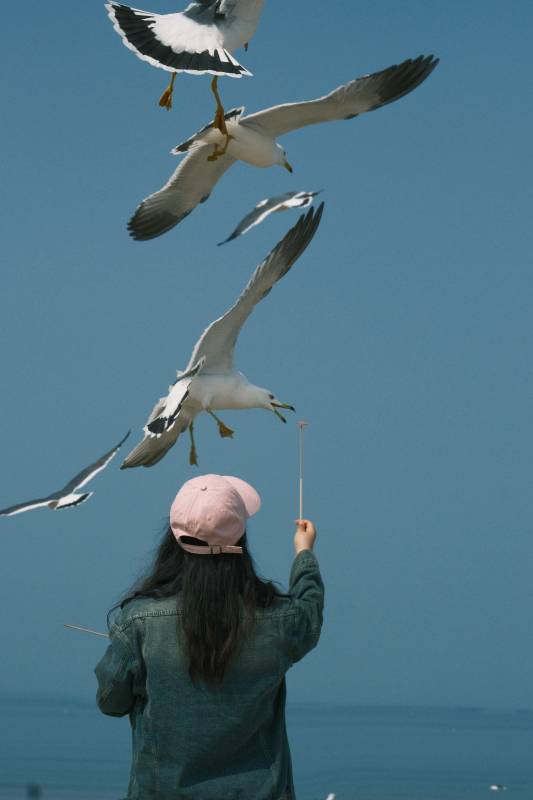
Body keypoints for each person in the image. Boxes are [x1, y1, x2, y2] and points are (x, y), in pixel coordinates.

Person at [95, 474, 324, 800]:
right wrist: (304, 554)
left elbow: (111, 702)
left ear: (173, 540)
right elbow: (309, 611)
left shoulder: (139, 620)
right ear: (240, 538)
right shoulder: (281, 620)